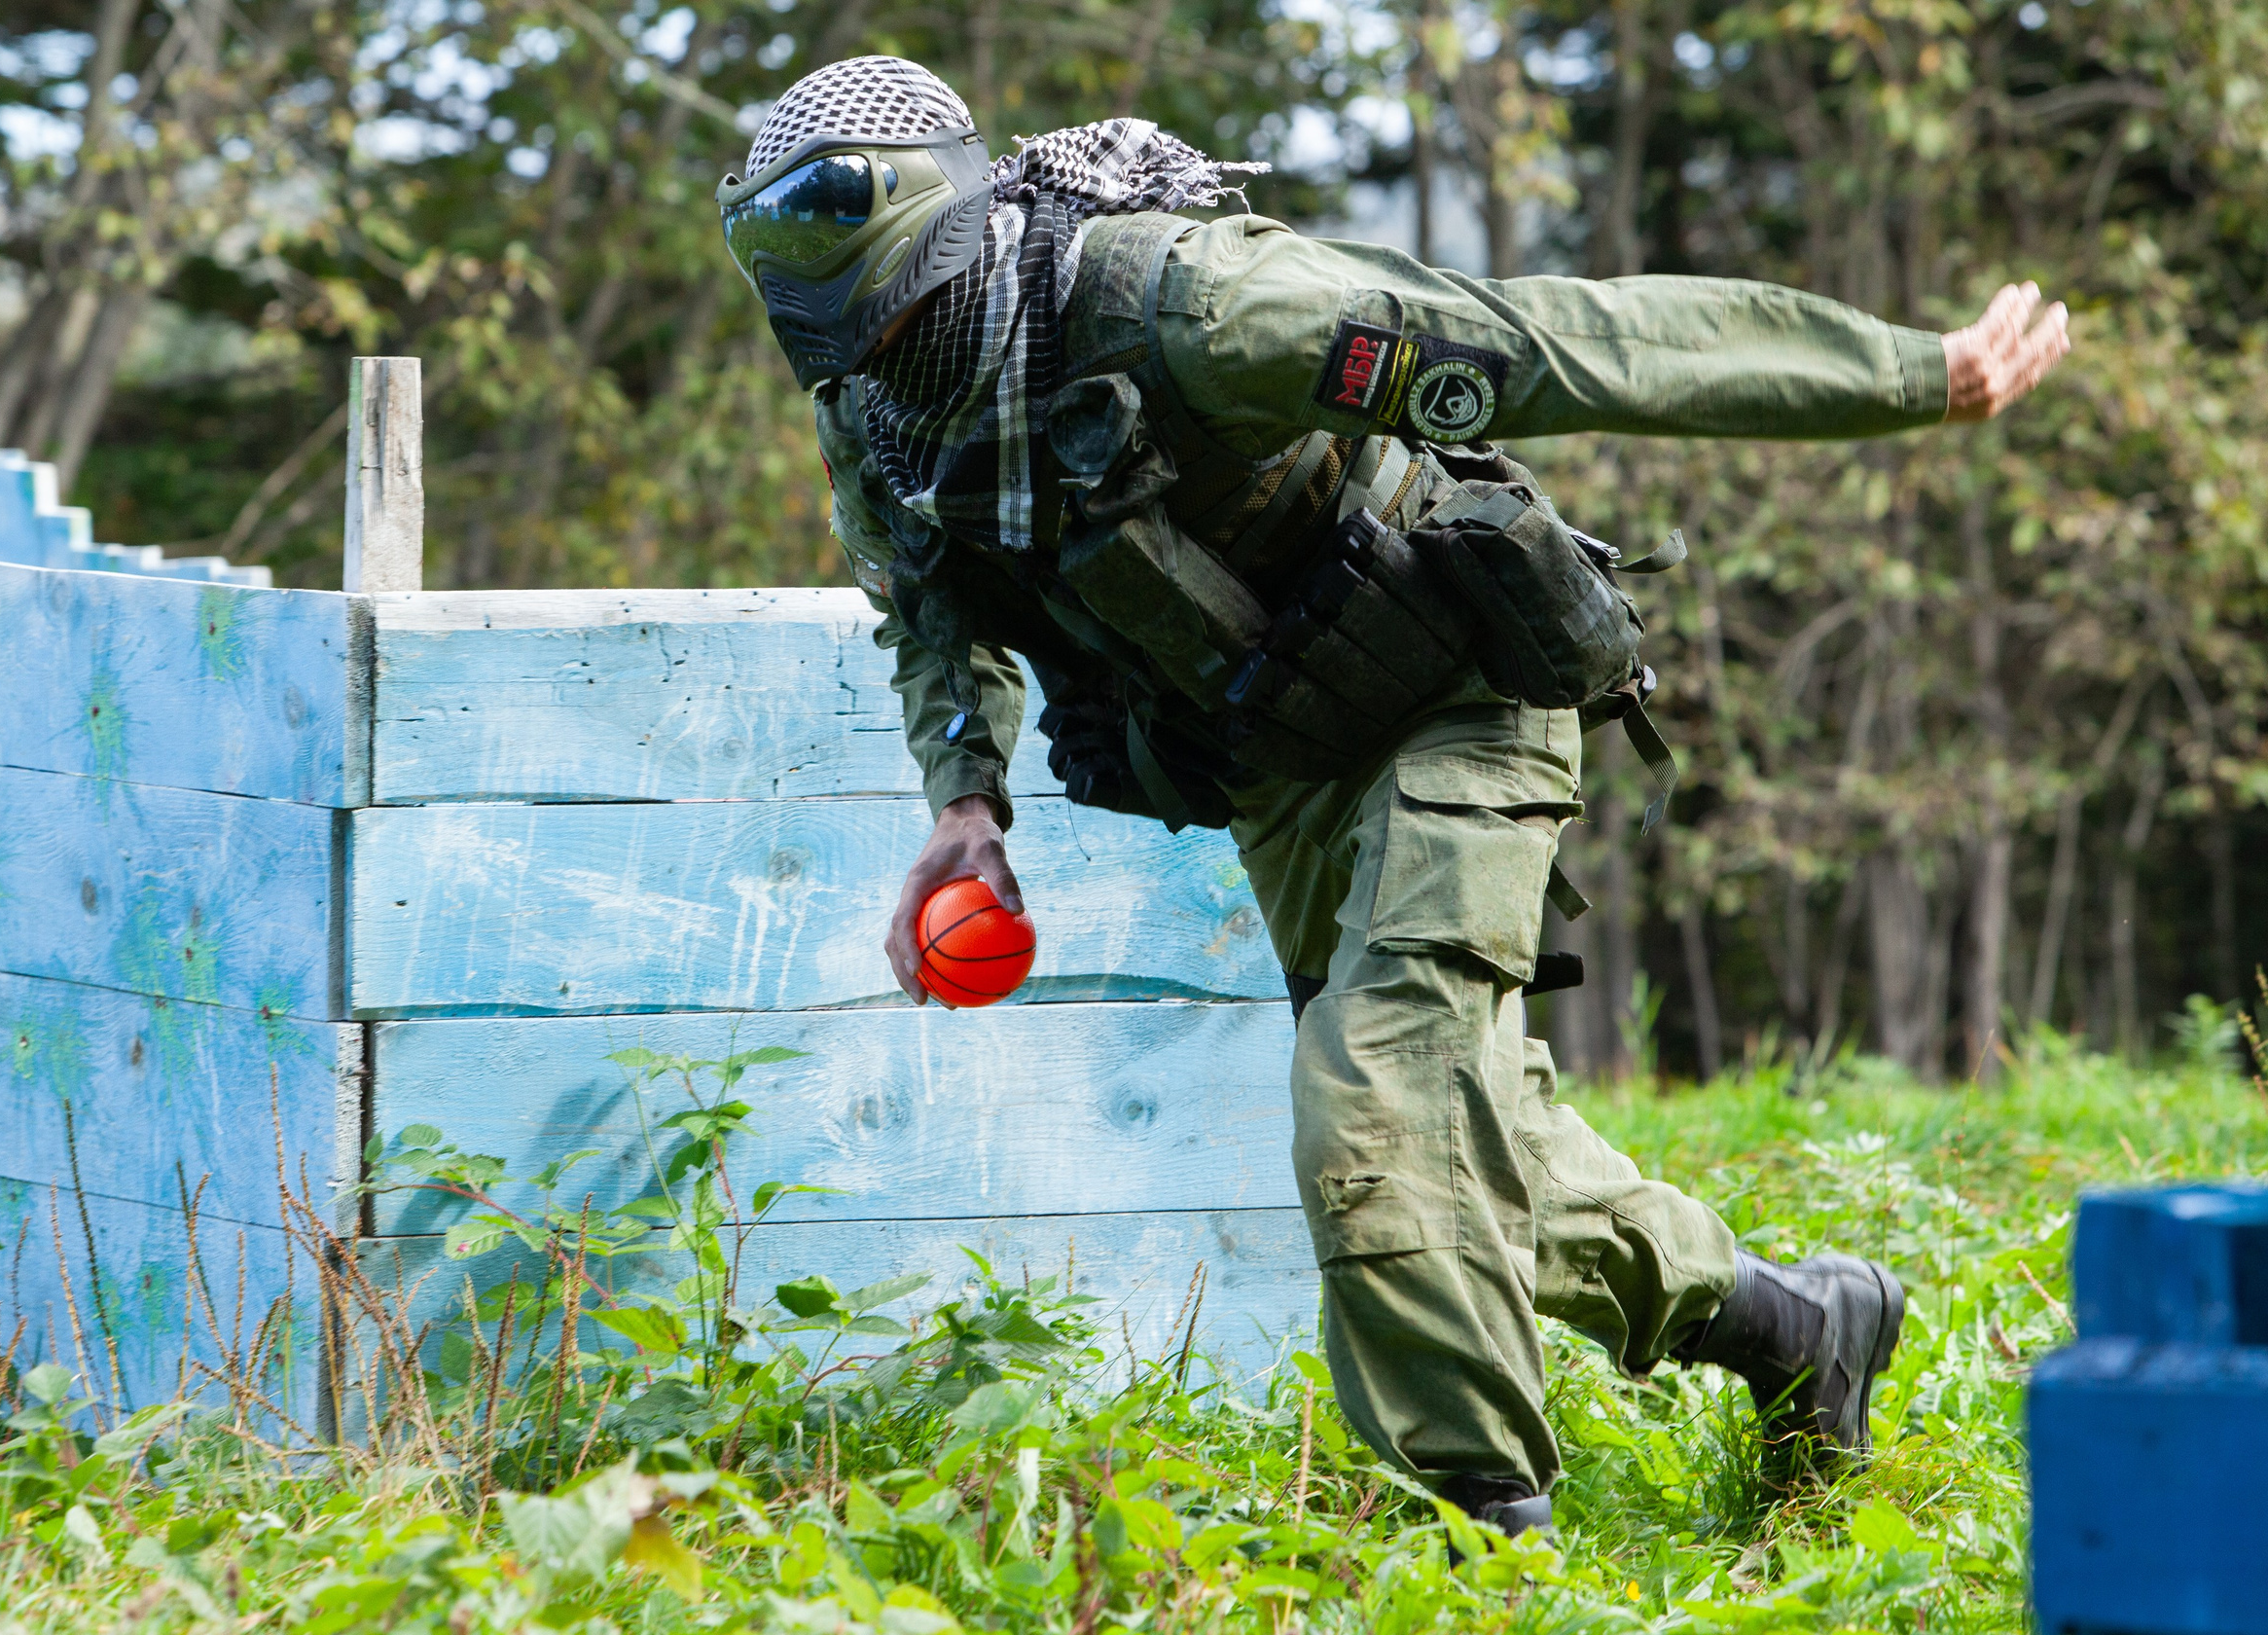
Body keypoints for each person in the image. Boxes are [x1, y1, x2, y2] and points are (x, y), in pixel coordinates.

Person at [717, 56, 2069, 1535]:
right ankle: (1797, 1329)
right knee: (1469, 1139)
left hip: (1454, 687)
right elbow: (929, 608)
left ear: (950, 230)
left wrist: (1907, 375)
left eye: (896, 318)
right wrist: (964, 800)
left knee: (1376, 1112)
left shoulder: (1192, 304)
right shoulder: (875, 408)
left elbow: (1556, 339)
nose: (876, 357)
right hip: (1280, 756)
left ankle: (1489, 1549)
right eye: (851, 338)